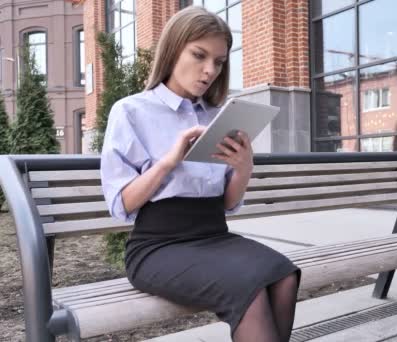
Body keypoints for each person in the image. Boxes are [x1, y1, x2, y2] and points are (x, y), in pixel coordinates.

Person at [100, 6, 300, 342]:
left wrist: (243, 169)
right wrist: (167, 162)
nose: (209, 70)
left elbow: (226, 204)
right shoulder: (131, 111)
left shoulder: (216, 116)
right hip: (158, 247)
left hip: (213, 235)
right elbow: (121, 204)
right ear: (173, 49)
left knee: (284, 275)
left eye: (219, 62)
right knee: (247, 289)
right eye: (199, 55)